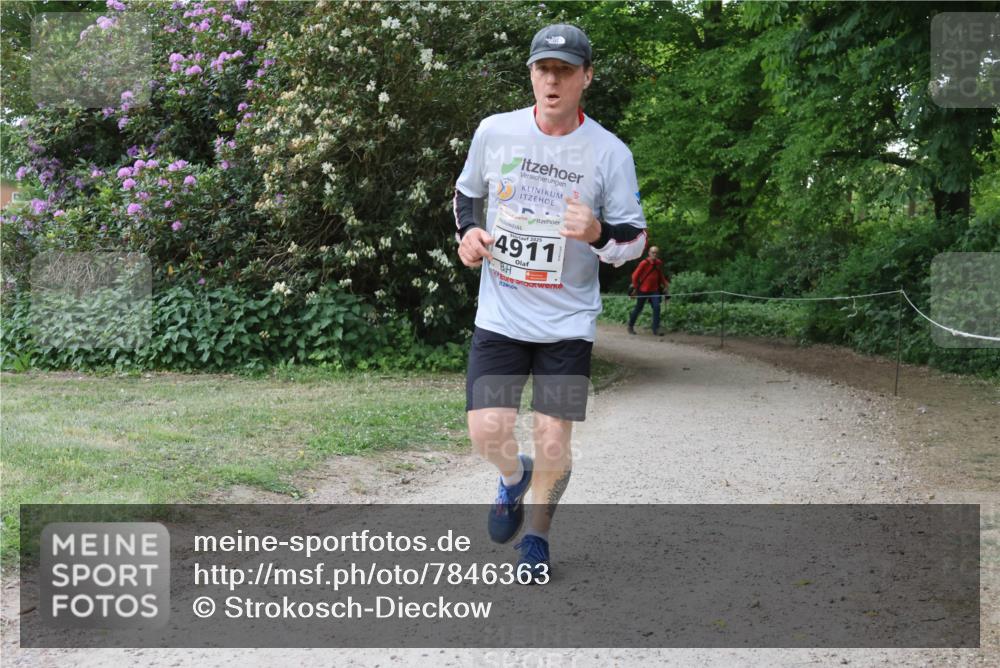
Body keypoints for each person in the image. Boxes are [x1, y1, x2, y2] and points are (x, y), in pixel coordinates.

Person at [452, 23, 647, 582]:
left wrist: (598, 233)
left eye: (564, 70)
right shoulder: (496, 131)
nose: (552, 80)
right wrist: (468, 235)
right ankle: (513, 477)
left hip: (567, 324)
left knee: (554, 440)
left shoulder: (609, 152)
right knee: (486, 432)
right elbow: (467, 193)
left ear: (587, 77)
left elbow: (635, 239)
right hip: (502, 315)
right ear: (531, 74)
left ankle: (536, 538)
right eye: (543, 69)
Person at [627, 246, 669, 336]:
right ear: (649, 253)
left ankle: (656, 328)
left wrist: (665, 285)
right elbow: (634, 276)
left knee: (657, 307)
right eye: (653, 252)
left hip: (655, 290)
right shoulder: (644, 263)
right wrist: (635, 288)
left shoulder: (658, 263)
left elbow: (660, 275)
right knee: (639, 308)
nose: (655, 254)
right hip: (643, 290)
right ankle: (630, 326)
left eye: (656, 253)